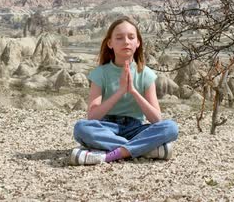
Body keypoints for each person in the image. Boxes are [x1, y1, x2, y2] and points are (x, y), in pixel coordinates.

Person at [70, 16, 179, 165]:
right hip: (106, 128)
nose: (126, 42)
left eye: (131, 37)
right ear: (110, 43)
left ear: (138, 42)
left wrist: (133, 91)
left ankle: (109, 154)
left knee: (170, 128)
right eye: (119, 38)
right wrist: (120, 92)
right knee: (81, 128)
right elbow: (92, 117)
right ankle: (145, 149)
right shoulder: (100, 73)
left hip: (135, 128)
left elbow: (156, 119)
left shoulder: (146, 74)